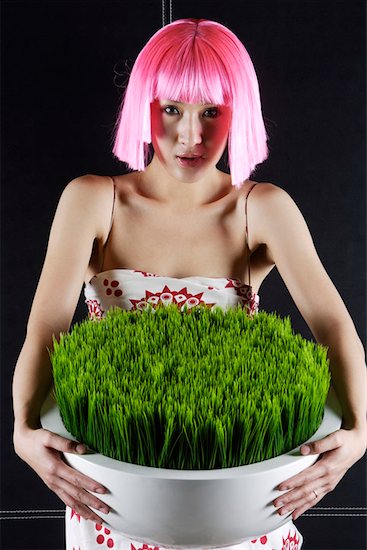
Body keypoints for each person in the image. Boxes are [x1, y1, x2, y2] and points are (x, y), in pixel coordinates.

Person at [12, 17, 366, 550]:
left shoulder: (258, 208)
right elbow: (45, 329)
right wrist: (22, 431)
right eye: (171, 109)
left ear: (238, 113)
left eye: (212, 112)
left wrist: (358, 434)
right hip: (116, 484)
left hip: (235, 494)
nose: (190, 136)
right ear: (142, 107)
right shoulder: (94, 200)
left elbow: (334, 325)